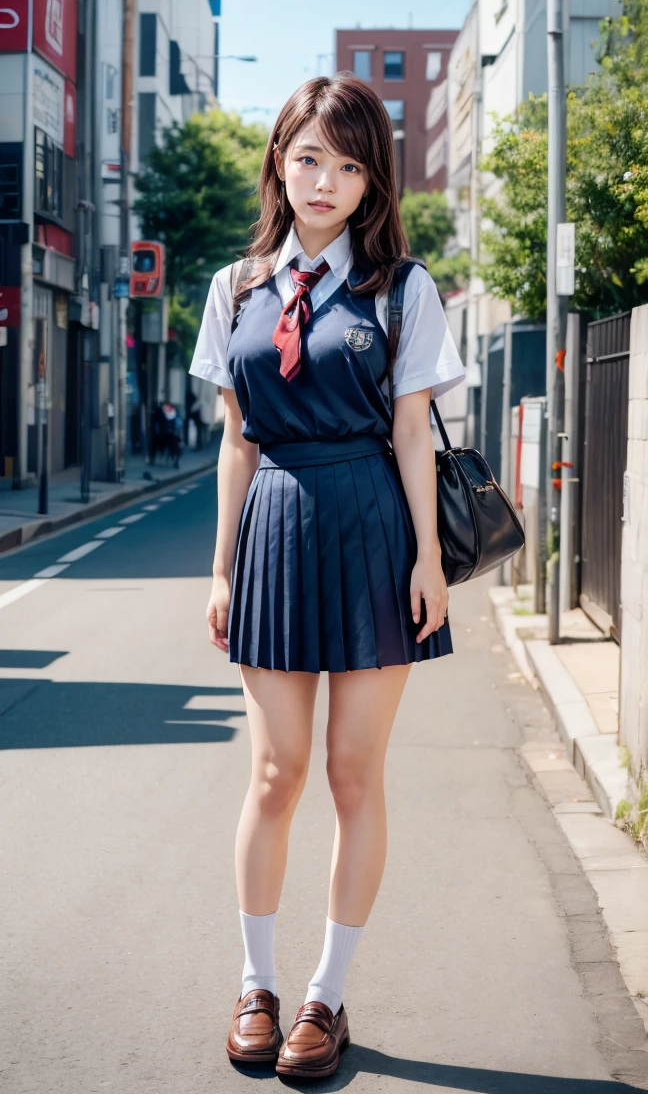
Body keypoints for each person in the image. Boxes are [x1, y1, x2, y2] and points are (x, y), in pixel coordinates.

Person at [189, 73, 466, 1081]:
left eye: (349, 166)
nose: (325, 180)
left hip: (373, 535)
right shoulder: (237, 287)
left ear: (371, 183)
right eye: (309, 158)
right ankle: (255, 982)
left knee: (355, 776)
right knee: (276, 773)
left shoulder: (403, 288)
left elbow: (410, 436)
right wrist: (219, 571)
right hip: (271, 532)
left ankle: (326, 995)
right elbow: (235, 444)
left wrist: (429, 558)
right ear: (279, 160)